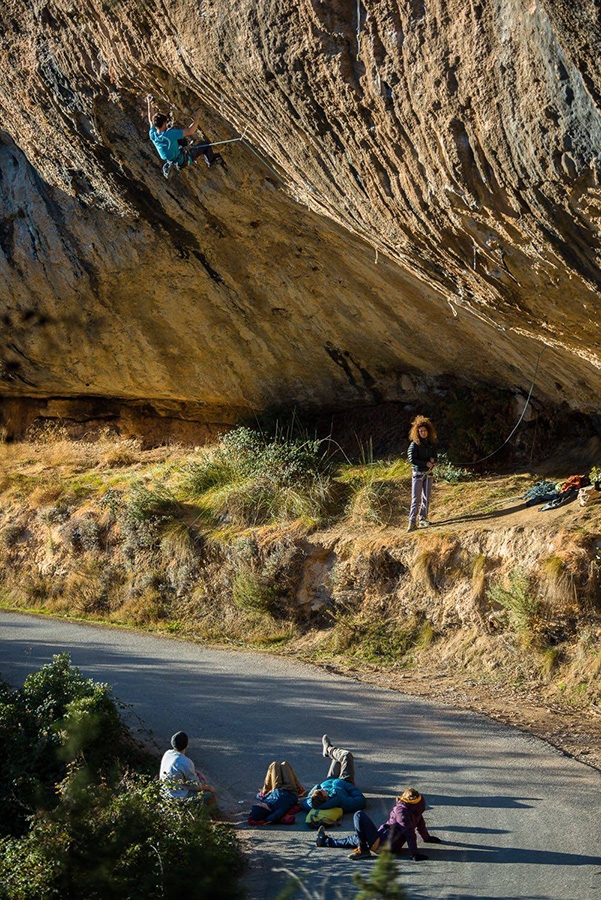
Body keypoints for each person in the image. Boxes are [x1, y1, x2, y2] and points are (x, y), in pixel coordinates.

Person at [315, 787, 442, 861]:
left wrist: (414, 854)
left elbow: (409, 832)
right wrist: (427, 838)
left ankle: (363, 850)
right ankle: (325, 841)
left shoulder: (402, 810)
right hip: (386, 841)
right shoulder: (417, 808)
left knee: (359, 815)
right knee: (356, 838)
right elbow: (420, 823)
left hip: (383, 843)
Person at [146, 95, 224, 178]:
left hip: (173, 157)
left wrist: (149, 103)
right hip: (183, 160)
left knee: (180, 139)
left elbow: (151, 119)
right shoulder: (169, 135)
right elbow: (190, 131)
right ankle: (211, 161)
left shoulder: (153, 134)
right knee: (205, 145)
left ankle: (186, 145)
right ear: (164, 123)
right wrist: (196, 118)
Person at [302, 736, 366, 814]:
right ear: (326, 798)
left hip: (330, 779)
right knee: (346, 755)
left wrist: (316, 787)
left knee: (337, 757)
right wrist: (347, 786)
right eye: (322, 791)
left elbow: (306, 801)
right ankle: (329, 749)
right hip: (344, 781)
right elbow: (360, 801)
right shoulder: (339, 800)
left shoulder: (311, 803)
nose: (321, 789)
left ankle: (329, 750)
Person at [159, 731, 216, 802]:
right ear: (186, 744)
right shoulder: (186, 762)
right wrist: (209, 788)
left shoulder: (168, 754)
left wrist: (195, 772)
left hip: (164, 793)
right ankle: (206, 810)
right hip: (178, 798)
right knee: (209, 794)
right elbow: (195, 786)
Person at [249, 760, 305, 825]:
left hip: (277, 788)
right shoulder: (277, 810)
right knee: (285, 764)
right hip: (290, 790)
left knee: (274, 765)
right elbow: (274, 817)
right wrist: (265, 820)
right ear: (264, 809)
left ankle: (265, 789)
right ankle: (299, 788)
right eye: (260, 805)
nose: (260, 803)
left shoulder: (265, 801)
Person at [407, 415, 438, 532]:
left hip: (428, 474)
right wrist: (426, 463)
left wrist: (433, 461)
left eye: (424, 431)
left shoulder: (431, 444)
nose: (423, 433)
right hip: (418, 474)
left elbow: (436, 456)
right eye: (420, 431)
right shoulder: (414, 444)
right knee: (416, 499)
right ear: (417, 432)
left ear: (428, 431)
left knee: (426, 498)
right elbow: (412, 459)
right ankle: (411, 522)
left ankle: (423, 519)